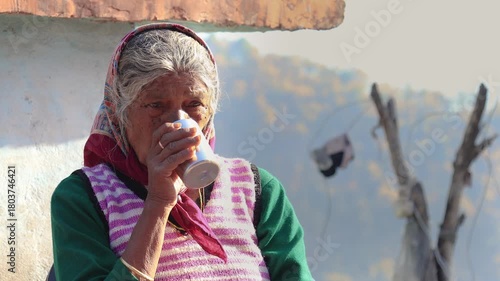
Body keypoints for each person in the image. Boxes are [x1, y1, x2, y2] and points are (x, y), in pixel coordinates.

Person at [51, 23, 313, 281]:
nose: (177, 121)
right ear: (119, 114)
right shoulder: (84, 198)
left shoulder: (257, 190)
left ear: (210, 112)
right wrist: (158, 203)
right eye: (156, 104)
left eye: (194, 104)